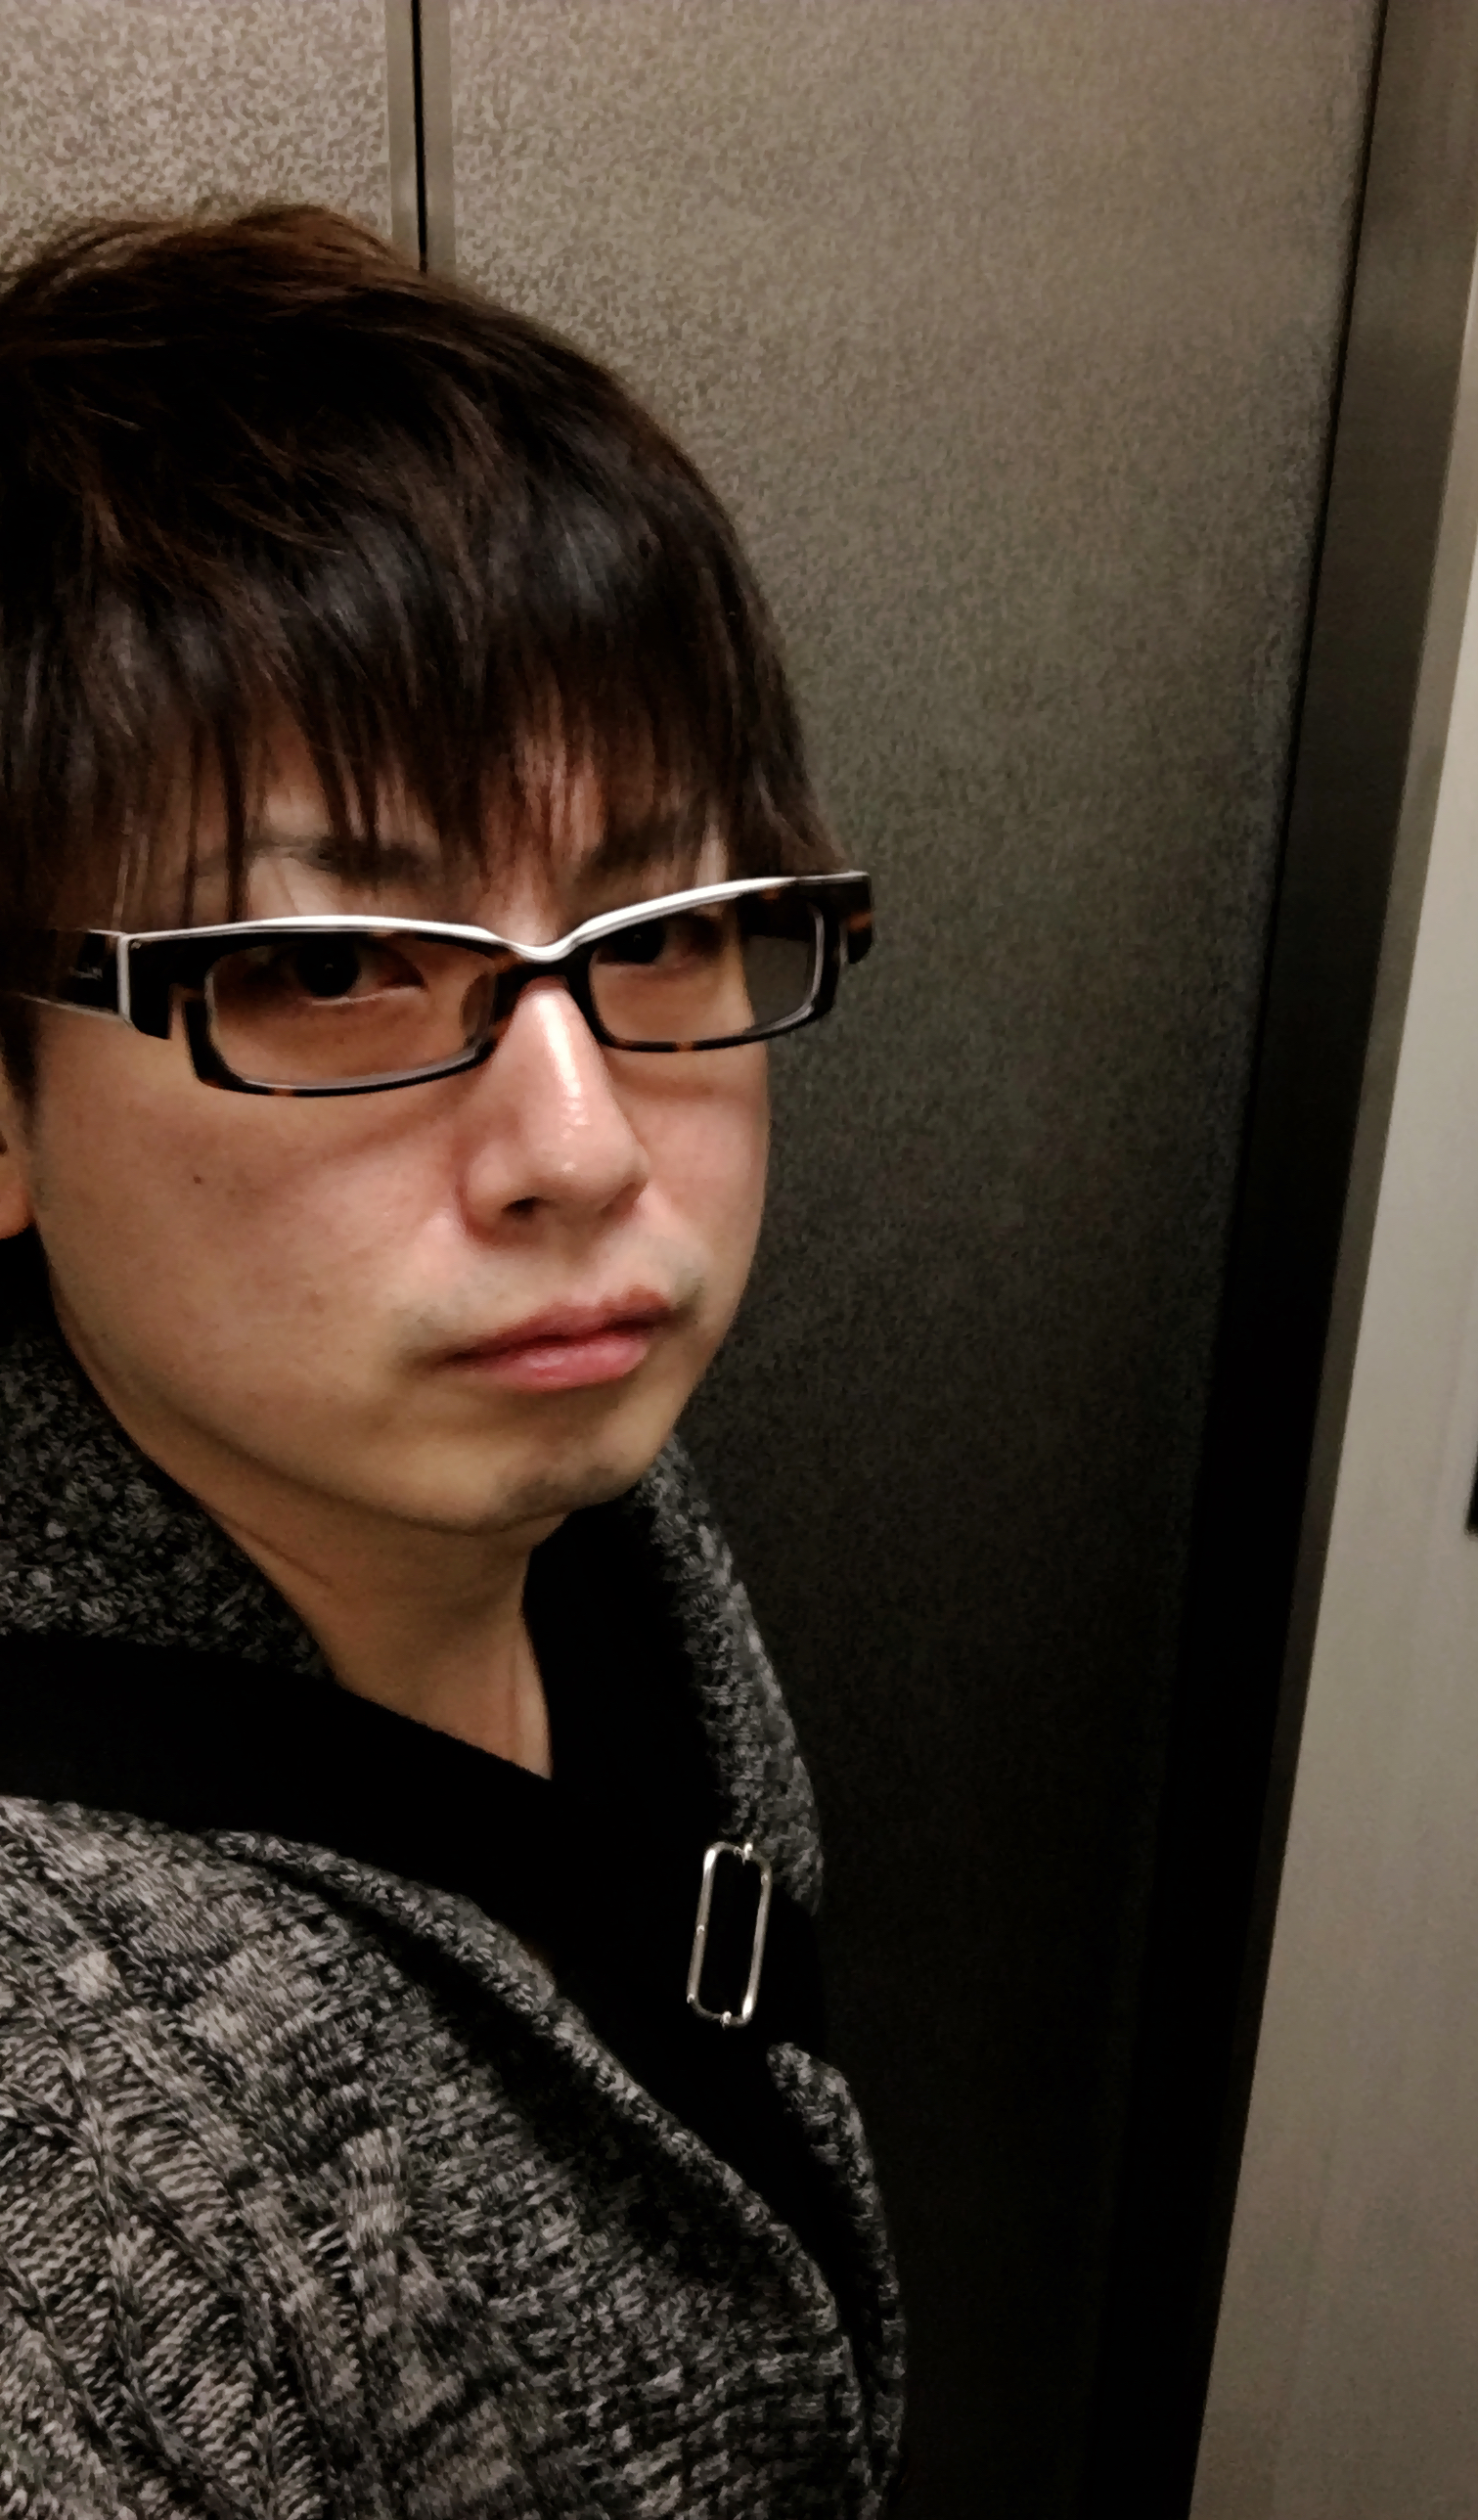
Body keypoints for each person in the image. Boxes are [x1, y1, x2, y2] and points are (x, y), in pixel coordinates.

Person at [0, 202, 901, 2516]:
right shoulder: (69, 2147)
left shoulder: (562, 1472)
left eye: (668, 926)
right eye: (328, 969)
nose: (581, 1149)